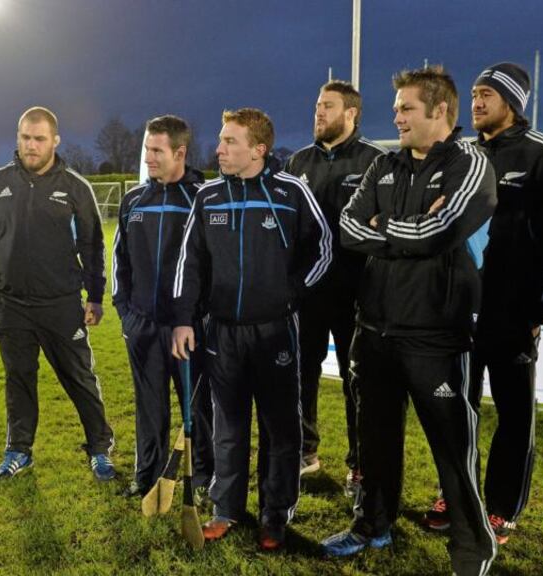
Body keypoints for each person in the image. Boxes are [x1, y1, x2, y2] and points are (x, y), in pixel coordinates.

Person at [322, 66, 498, 576]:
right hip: (375, 328)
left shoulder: (471, 163)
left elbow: (443, 229)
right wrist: (411, 231)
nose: (396, 116)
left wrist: (388, 229)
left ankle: (472, 549)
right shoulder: (384, 165)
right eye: (396, 107)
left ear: (440, 110)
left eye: (406, 108)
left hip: (436, 334)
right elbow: (349, 227)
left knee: (453, 450)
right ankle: (371, 525)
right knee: (375, 441)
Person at [422, 63, 543, 544]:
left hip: (512, 313)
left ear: (512, 101)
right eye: (473, 93)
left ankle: (502, 507)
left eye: (486, 94)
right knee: (457, 409)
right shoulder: (463, 155)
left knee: (514, 414)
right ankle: (456, 494)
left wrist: (540, 311)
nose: (476, 102)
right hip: (460, 310)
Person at [171, 108, 331, 550]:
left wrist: (291, 293)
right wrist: (183, 318)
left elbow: (322, 249)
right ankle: (226, 509)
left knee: (280, 428)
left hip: (275, 331)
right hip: (222, 332)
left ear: (258, 149)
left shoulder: (290, 191)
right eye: (221, 140)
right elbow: (190, 261)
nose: (219, 150)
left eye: (230, 142)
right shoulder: (208, 197)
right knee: (228, 426)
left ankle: (274, 516)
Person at [0, 106, 116, 482]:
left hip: (60, 303)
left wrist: (95, 296)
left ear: (55, 141)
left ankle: (100, 448)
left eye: (40, 139)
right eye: (26, 138)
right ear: (18, 138)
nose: (32, 145)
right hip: (10, 302)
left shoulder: (76, 187)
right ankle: (19, 450)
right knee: (18, 378)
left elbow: (92, 245)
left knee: (79, 378)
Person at [284, 80, 386, 495]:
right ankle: (304, 451)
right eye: (316, 105)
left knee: (356, 381)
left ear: (351, 113)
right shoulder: (297, 162)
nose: (319, 112)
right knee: (300, 375)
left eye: (327, 106)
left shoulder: (375, 161)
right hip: (307, 294)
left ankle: (359, 465)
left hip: (356, 295)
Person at [112, 115, 213, 500]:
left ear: (180, 153)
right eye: (147, 149)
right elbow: (119, 260)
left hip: (189, 327)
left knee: (198, 408)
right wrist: (126, 313)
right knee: (149, 406)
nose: (148, 158)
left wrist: (200, 317)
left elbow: (213, 264)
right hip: (143, 325)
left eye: (156, 150)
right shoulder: (133, 201)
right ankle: (147, 476)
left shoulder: (202, 198)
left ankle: (202, 479)